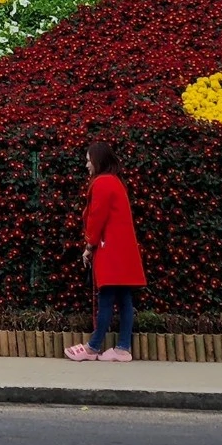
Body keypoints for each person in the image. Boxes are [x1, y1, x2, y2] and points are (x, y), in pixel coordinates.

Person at [66, 135, 144, 362]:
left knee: (106, 297)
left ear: (98, 160)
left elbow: (96, 217)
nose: (86, 164)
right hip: (123, 251)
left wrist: (89, 246)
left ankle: (93, 347)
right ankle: (122, 348)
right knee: (125, 299)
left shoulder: (101, 183)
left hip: (110, 250)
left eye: (89, 160)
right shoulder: (116, 181)